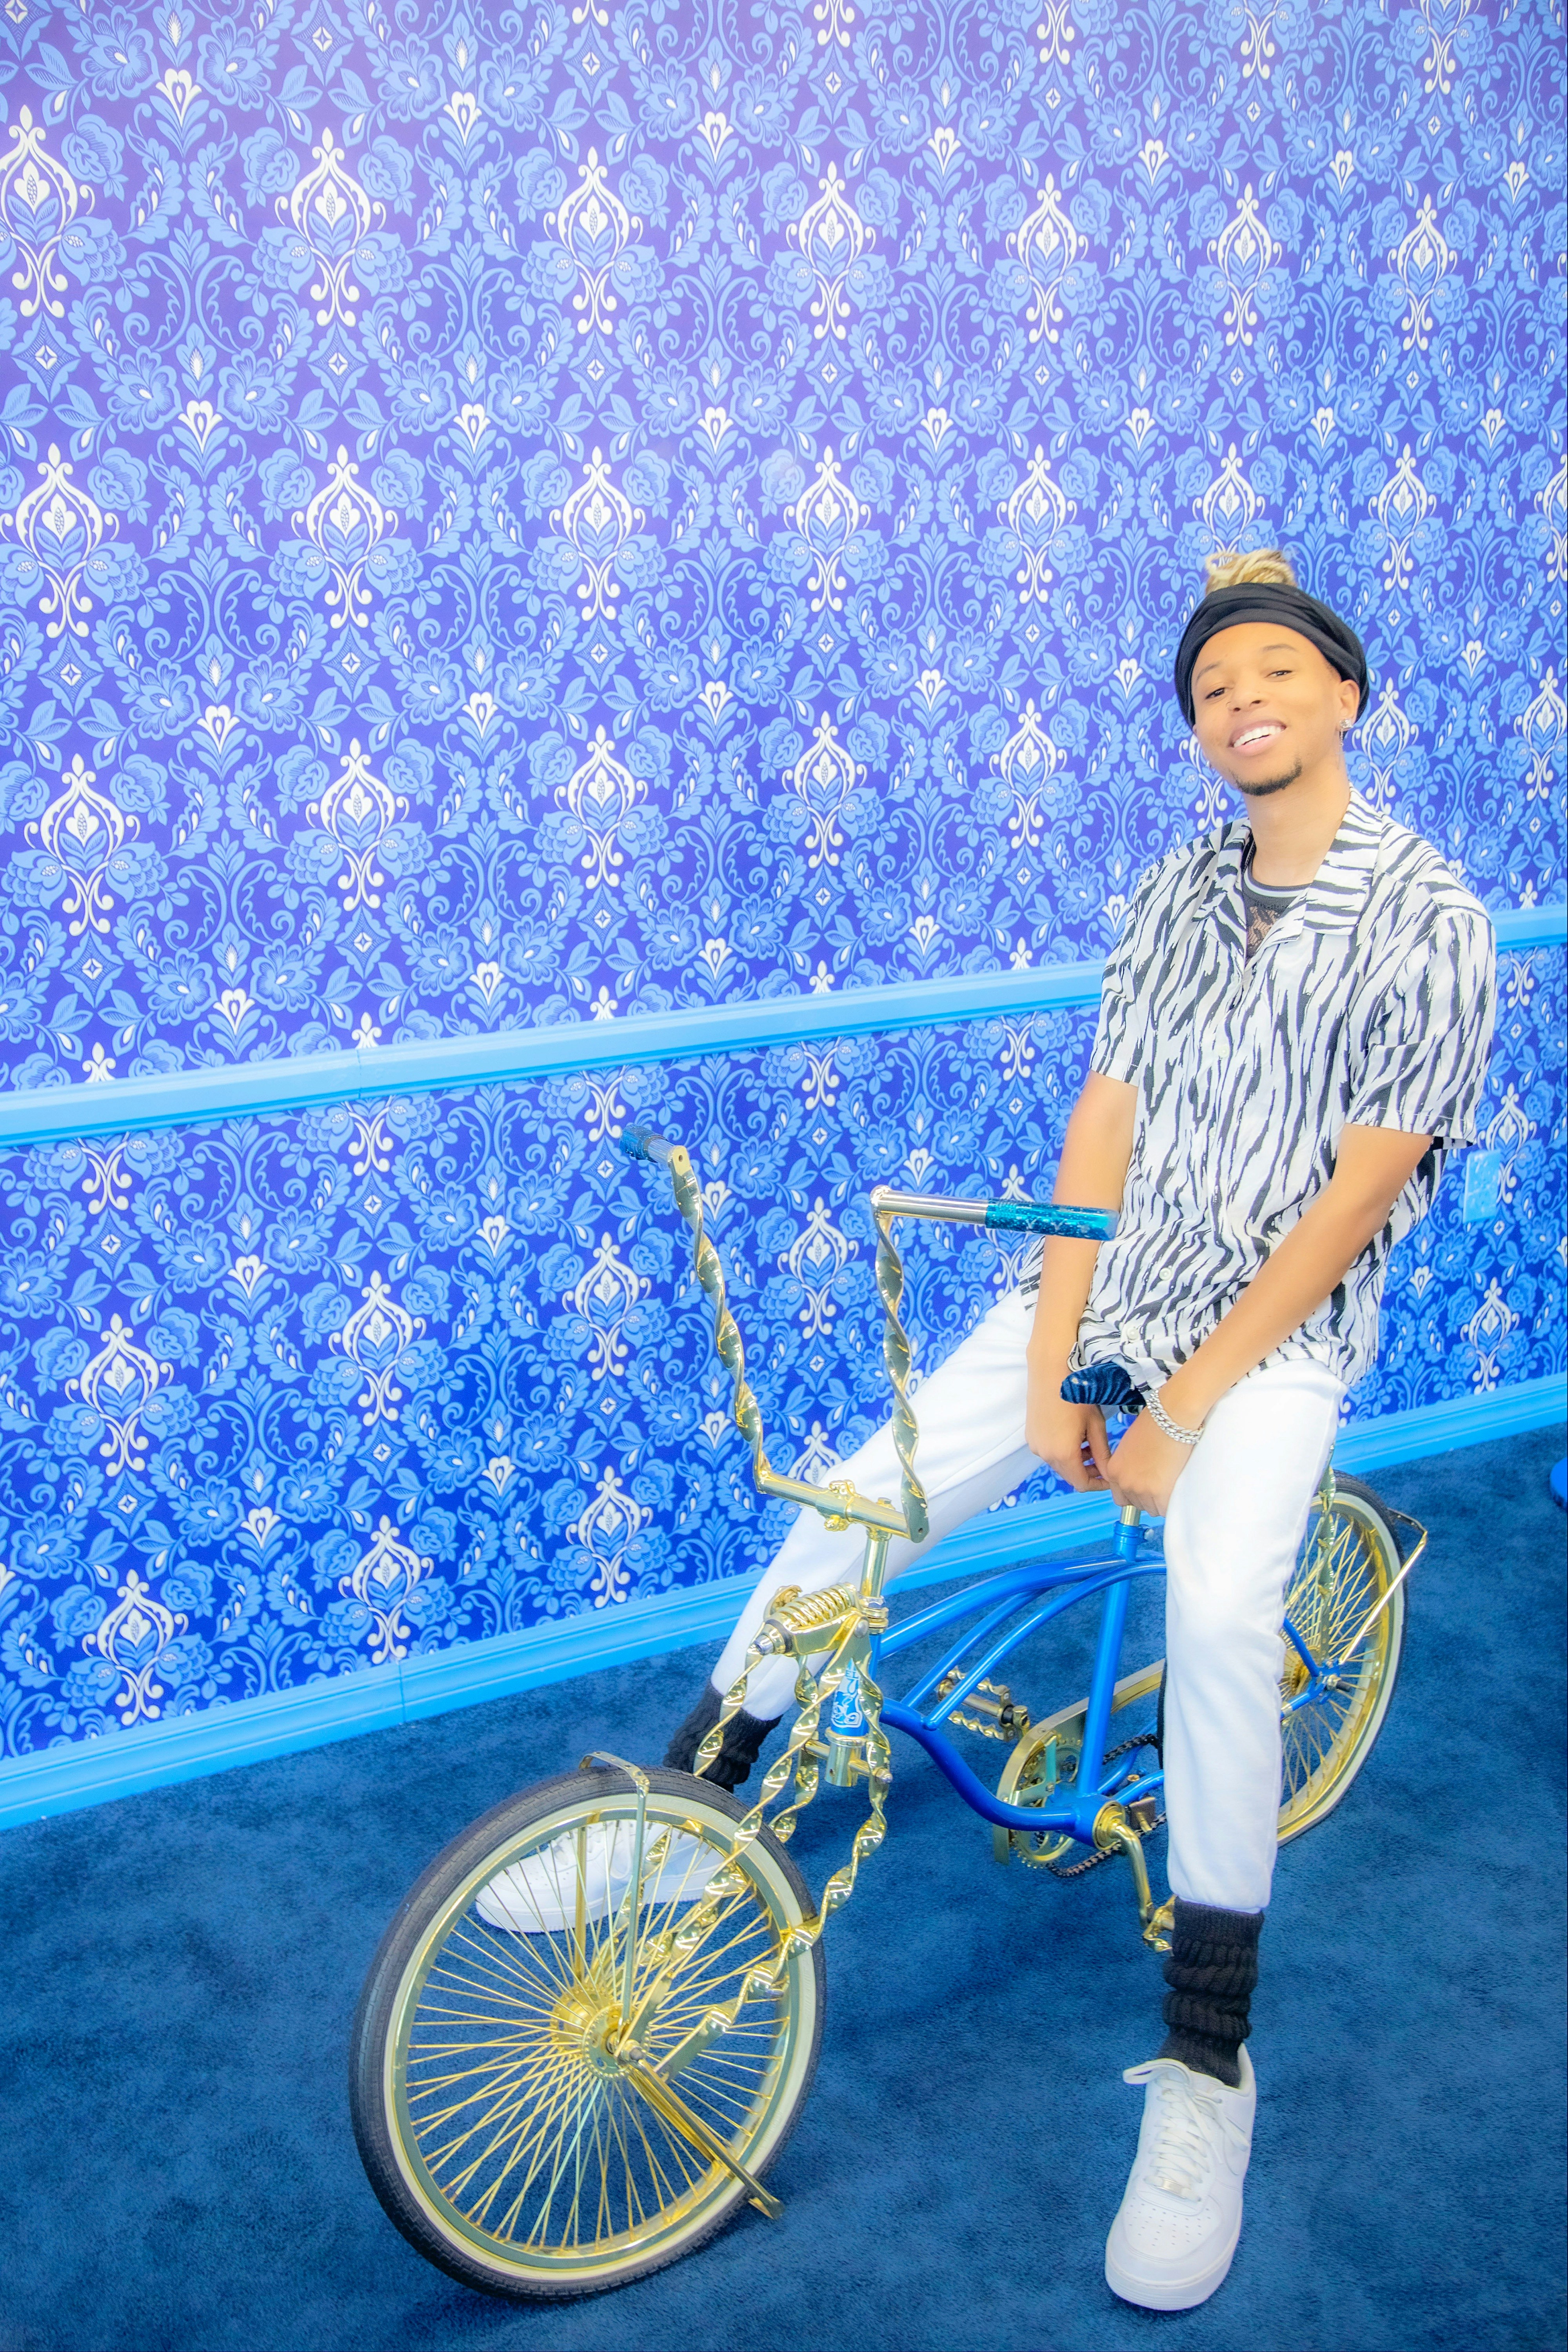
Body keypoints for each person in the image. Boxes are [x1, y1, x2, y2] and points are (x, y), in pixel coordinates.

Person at [660, 548, 1497, 2312]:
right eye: (1210, 689)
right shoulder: (1177, 885)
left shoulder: (1431, 911)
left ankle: (1205, 2069)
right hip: (1103, 1289)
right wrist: (1056, 1353)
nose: (1240, 703)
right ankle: (687, 1811)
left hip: (1269, 1342)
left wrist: (1186, 1405)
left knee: (1212, 1618)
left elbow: (1360, 1197)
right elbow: (1100, 1115)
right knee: (860, 1495)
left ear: (1345, 694)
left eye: (1273, 672)